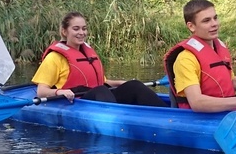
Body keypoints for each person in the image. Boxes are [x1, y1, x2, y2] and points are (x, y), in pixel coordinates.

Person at [164, 0, 236, 112]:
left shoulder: (219, 48)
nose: (214, 24)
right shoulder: (186, 59)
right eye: (206, 20)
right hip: (198, 120)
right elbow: (197, 102)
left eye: (215, 18)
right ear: (191, 26)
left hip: (227, 113)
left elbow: (231, 83)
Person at [32, 11, 167, 107]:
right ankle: (118, 118)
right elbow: (41, 91)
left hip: (98, 98)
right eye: (76, 29)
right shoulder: (55, 57)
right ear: (64, 31)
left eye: (84, 29)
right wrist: (59, 91)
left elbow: (102, 82)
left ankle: (167, 114)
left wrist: (121, 82)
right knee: (101, 90)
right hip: (76, 102)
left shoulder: (88, 52)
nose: (81, 33)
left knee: (134, 85)